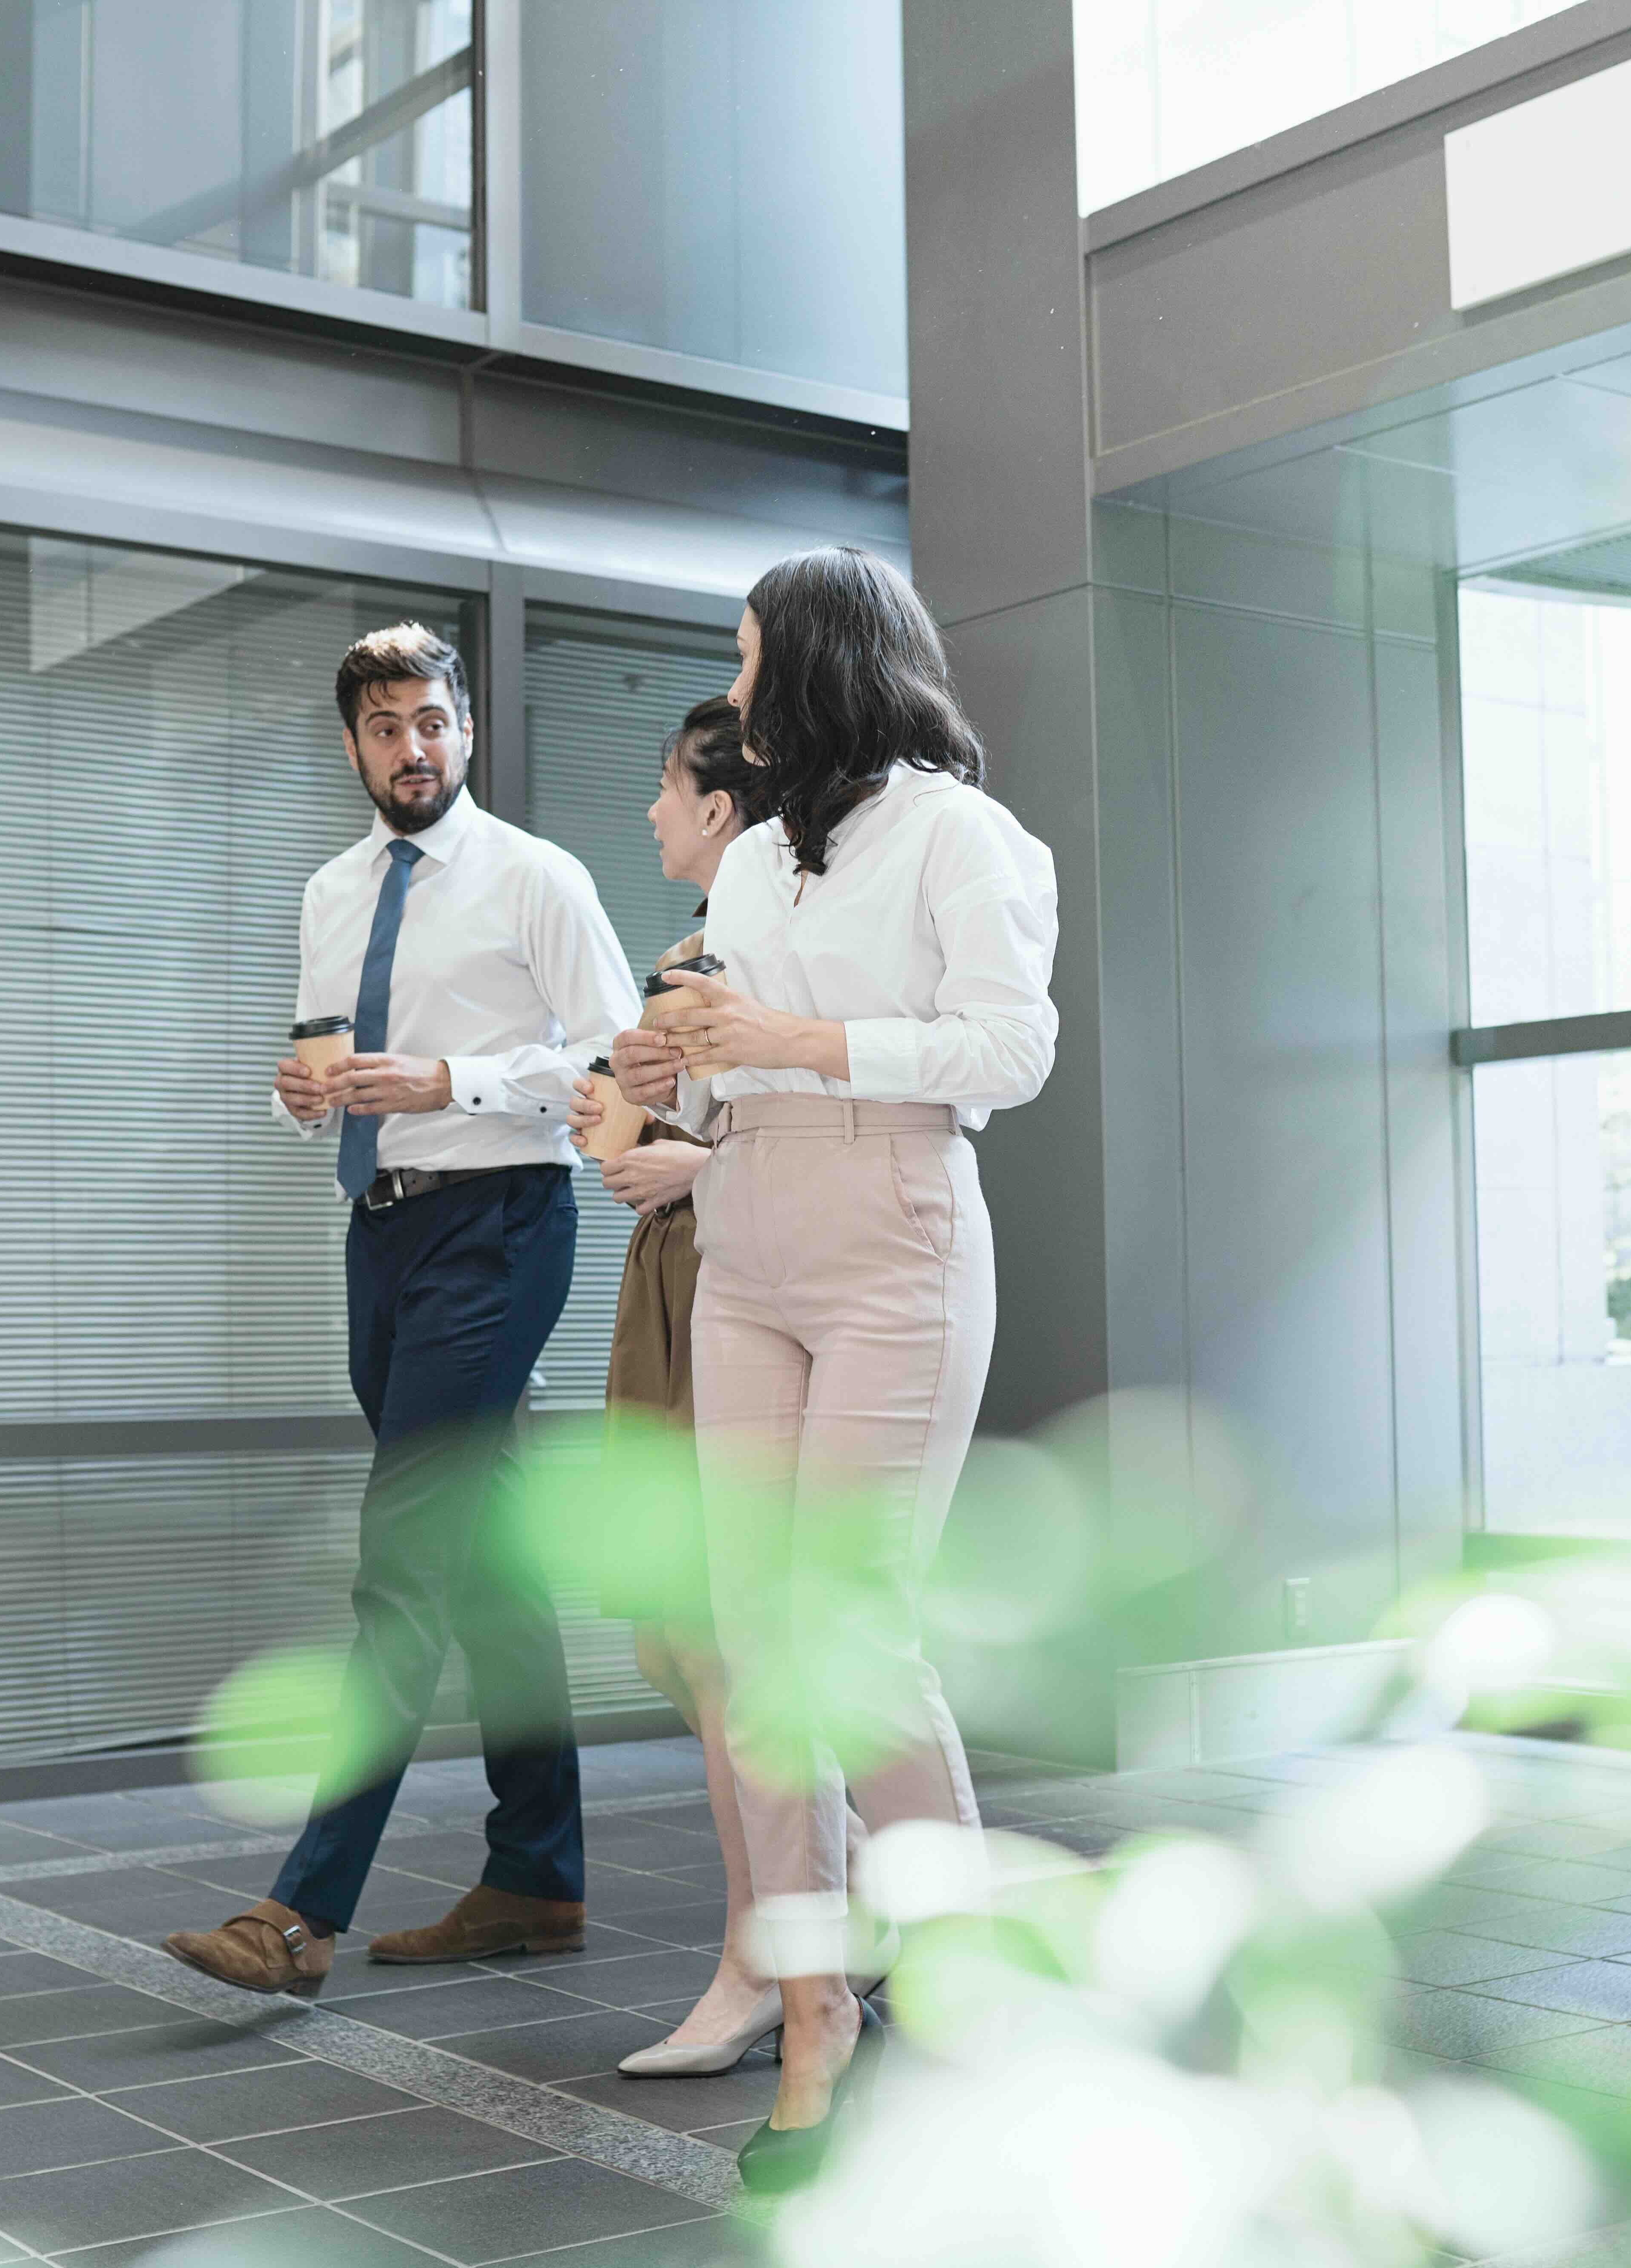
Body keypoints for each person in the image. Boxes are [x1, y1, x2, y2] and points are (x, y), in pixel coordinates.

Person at [609, 548, 1060, 2187]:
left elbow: (1014, 1050)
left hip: (895, 1232)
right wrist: (674, 1076)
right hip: (750, 1235)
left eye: (746, 663)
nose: (732, 697)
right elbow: (724, 1076)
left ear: (815, 665)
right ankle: (815, 2011)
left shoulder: (962, 834)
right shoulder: (752, 869)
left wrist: (792, 1045)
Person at [165, 623, 639, 1998]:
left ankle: (300, 1909)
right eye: (385, 728)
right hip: (379, 1232)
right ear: (355, 744)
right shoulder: (331, 890)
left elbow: (617, 1062)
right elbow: (320, 1056)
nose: (412, 748)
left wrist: (452, 1083)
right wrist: (298, 1093)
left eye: (432, 722)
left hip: (500, 1228)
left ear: (467, 730)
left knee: (403, 1553)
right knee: (487, 1558)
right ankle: (537, 1874)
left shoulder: (536, 877)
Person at [565, 696, 871, 2081]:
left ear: (721, 810)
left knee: (737, 1634)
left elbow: (799, 1125)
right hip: (674, 1286)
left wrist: (684, 1156)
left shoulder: (786, 956)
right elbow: (638, 1131)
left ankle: (781, 1947)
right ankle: (809, 1930)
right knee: (687, 1636)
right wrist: (622, 1118)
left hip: (745, 1272)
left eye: (664, 789)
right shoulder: (686, 959)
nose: (648, 811)